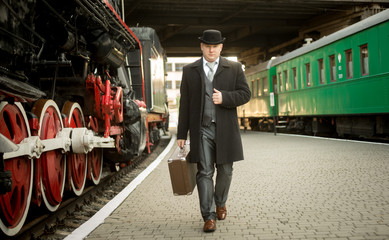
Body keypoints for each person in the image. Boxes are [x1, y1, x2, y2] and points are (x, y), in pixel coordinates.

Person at [177, 29, 251, 232]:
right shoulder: (189, 70)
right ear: (202, 46)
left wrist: (225, 98)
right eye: (207, 46)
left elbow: (246, 94)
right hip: (202, 130)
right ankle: (208, 216)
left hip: (226, 129)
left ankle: (220, 202)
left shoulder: (234, 68)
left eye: (215, 46)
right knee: (204, 172)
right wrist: (181, 134)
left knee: (226, 171)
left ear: (221, 47)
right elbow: (185, 104)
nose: (211, 49)